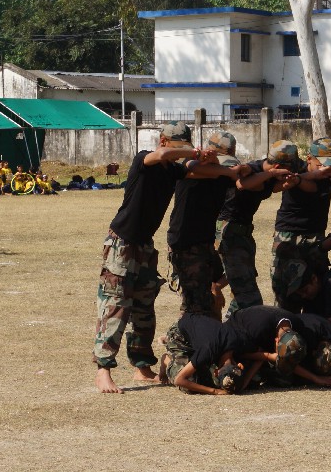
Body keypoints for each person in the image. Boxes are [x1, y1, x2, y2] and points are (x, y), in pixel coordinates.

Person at [93, 121, 203, 394]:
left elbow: (192, 169)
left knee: (144, 308)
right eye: (177, 148)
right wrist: (193, 153)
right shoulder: (144, 160)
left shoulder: (172, 169)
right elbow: (165, 156)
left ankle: (142, 367)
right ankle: (103, 370)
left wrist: (211, 160)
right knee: (116, 306)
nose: (180, 153)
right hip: (122, 244)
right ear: (163, 141)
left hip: (144, 246)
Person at [166, 132, 249, 324]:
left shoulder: (221, 175)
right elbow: (188, 165)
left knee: (206, 305)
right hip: (185, 242)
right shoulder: (191, 170)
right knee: (195, 305)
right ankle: (179, 345)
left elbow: (244, 176)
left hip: (204, 243)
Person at [216, 140, 294, 316]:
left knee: (244, 285)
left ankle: (233, 326)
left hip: (243, 232)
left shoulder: (269, 176)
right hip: (229, 231)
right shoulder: (253, 169)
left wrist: (288, 182)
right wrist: (273, 173)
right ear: (279, 165)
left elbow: (270, 189)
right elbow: (242, 184)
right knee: (249, 298)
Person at [270, 137, 331, 309]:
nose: (326, 168)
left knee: (316, 289)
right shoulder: (295, 169)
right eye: (321, 164)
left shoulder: (330, 172)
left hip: (315, 236)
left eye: (330, 163)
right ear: (309, 158)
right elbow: (287, 180)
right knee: (287, 292)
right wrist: (301, 178)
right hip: (289, 235)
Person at [159, 313, 248, 395]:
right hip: (180, 335)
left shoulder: (238, 341)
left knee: (205, 376)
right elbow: (179, 380)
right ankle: (168, 360)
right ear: (216, 372)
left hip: (201, 333)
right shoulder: (208, 350)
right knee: (190, 384)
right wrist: (215, 391)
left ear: (240, 365)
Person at [224, 305, 307, 385]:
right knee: (241, 379)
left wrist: (316, 379)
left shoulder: (298, 325)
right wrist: (245, 382)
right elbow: (243, 353)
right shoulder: (258, 330)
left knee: (287, 379)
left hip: (260, 342)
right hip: (238, 338)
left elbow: (290, 360)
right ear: (276, 340)